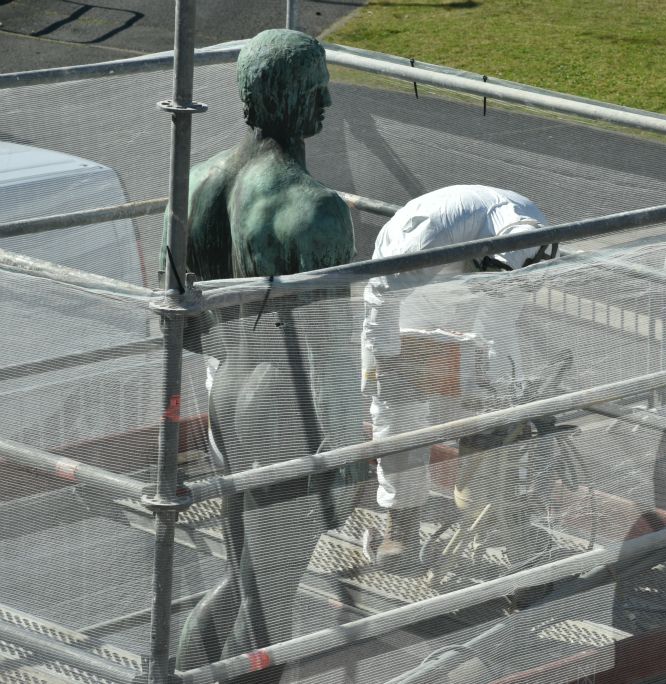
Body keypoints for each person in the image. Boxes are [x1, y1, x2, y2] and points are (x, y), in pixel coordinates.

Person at [166, 29, 358, 681]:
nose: (328, 103)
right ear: (293, 97)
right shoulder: (316, 209)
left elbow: (185, 323)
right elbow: (333, 350)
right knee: (272, 603)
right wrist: (349, 454)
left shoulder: (197, 185)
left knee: (244, 582)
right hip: (286, 408)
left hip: (228, 396)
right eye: (319, 87)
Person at [361, 185, 557, 567]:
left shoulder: (533, 238)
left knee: (499, 399)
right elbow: (380, 298)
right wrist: (386, 364)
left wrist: (497, 395)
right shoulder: (422, 238)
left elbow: (498, 323)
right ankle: (401, 523)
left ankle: (503, 511)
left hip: (474, 293)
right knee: (399, 410)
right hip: (411, 299)